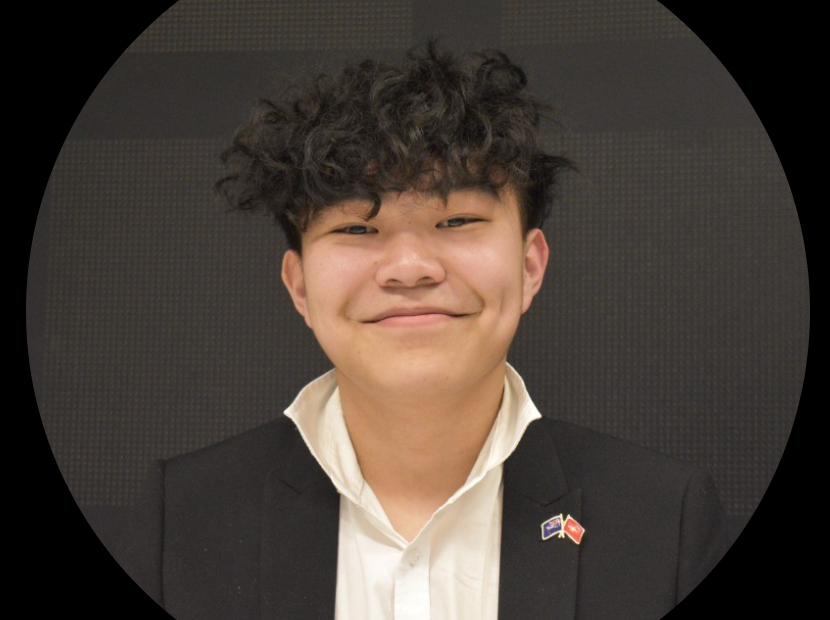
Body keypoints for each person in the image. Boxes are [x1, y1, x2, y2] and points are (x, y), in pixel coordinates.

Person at [119, 42, 728, 620]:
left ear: (529, 267)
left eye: (457, 220)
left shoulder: (664, 521)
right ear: (299, 284)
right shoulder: (185, 518)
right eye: (357, 228)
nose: (410, 268)